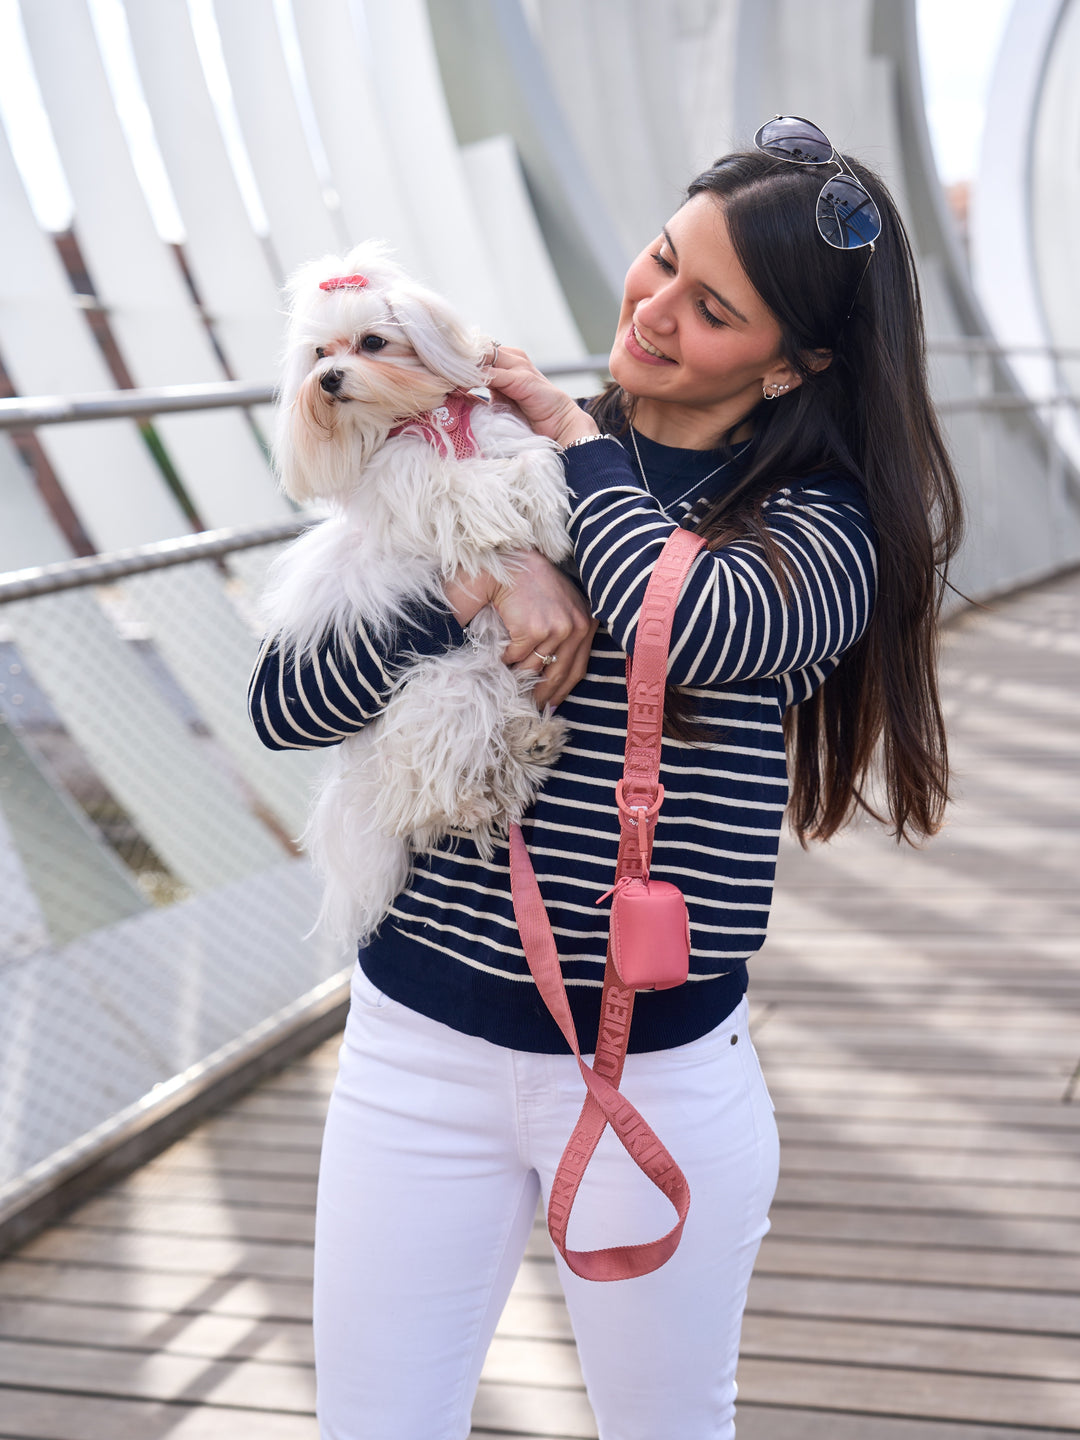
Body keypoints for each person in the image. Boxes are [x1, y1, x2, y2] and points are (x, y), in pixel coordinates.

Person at [249, 120, 962, 1440]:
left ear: (798, 360)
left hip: (652, 1072)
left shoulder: (822, 529)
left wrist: (579, 441)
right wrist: (472, 575)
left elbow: (693, 623)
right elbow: (285, 704)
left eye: (712, 309)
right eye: (660, 260)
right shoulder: (470, 463)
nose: (653, 312)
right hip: (418, 1043)